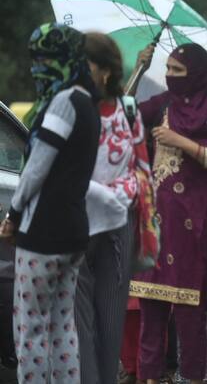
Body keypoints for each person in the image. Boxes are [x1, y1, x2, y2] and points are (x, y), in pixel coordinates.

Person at [128, 42, 207, 384]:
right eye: (168, 70)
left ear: (196, 73)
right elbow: (121, 112)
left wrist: (181, 141)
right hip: (156, 220)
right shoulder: (164, 103)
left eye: (178, 71)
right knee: (151, 312)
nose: (170, 76)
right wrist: (138, 71)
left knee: (190, 316)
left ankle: (192, 378)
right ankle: (149, 377)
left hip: (193, 221)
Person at [0, 23, 100, 384]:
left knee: (31, 332)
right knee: (62, 327)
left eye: (42, 59)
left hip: (42, 233)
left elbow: (36, 168)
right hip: (74, 233)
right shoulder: (89, 105)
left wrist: (12, 213)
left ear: (62, 59)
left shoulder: (61, 104)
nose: (35, 68)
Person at [74, 32, 153, 384]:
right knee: (79, 326)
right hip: (74, 227)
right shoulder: (68, 106)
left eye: (85, 63)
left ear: (105, 71)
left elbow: (142, 171)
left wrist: (116, 194)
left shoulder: (127, 111)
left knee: (110, 326)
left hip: (115, 230)